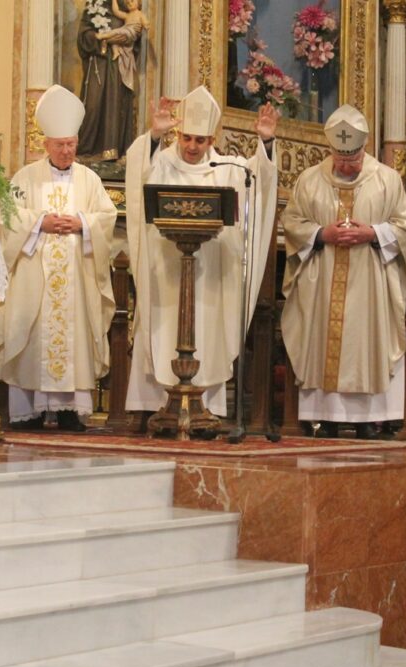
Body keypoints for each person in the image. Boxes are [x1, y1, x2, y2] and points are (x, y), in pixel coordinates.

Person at [124, 86, 279, 421]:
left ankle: (205, 407)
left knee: (206, 331)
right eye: (187, 138)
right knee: (163, 328)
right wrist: (154, 135)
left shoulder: (227, 168)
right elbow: (139, 173)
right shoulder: (161, 162)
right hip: (166, 269)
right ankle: (154, 407)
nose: (192, 147)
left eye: (200, 140)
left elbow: (260, 180)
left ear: (212, 139)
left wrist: (266, 143)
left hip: (209, 273)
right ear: (178, 135)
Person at [280, 105, 406, 440]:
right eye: (340, 159)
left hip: (370, 280)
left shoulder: (386, 180)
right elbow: (292, 221)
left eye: (352, 159)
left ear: (364, 147)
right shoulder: (309, 180)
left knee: (365, 343)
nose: (345, 166)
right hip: (322, 280)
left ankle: (367, 420)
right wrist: (321, 234)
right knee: (322, 342)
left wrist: (372, 233)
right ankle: (325, 418)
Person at [0, 85, 118, 431]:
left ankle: (68, 412)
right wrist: (39, 223)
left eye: (71, 144)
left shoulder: (90, 180)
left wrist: (82, 224)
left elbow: (106, 217)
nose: (67, 151)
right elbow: (8, 217)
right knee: (31, 334)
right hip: (34, 277)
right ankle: (28, 413)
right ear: (46, 144)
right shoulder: (25, 177)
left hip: (76, 279)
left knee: (73, 337)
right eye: (60, 145)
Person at [76, 0, 141, 160]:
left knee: (116, 105)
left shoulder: (127, 7)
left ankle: (113, 151)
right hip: (98, 64)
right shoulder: (94, 6)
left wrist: (127, 37)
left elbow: (135, 36)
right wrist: (102, 41)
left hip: (118, 66)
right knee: (93, 104)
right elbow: (83, 36)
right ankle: (86, 150)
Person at [95, 0, 150, 95]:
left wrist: (146, 25)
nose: (130, 3)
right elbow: (116, 11)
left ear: (139, 3)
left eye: (132, 1)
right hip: (126, 33)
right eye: (128, 3)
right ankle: (115, 50)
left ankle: (103, 36)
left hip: (131, 33)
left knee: (117, 31)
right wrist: (114, 1)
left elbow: (145, 22)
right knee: (114, 40)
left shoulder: (139, 14)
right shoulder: (127, 15)